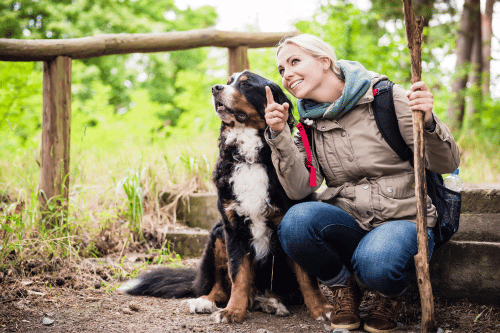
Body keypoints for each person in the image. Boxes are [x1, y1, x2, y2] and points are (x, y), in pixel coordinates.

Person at [264, 34, 460, 333]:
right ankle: (344, 289)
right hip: (350, 220)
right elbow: (300, 188)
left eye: (294, 61)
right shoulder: (307, 123)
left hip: (404, 218)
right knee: (294, 223)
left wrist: (430, 122)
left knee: (377, 263)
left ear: (324, 61)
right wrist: (279, 136)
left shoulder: (385, 97)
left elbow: (446, 163)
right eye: (281, 70)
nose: (286, 74)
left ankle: (389, 295)